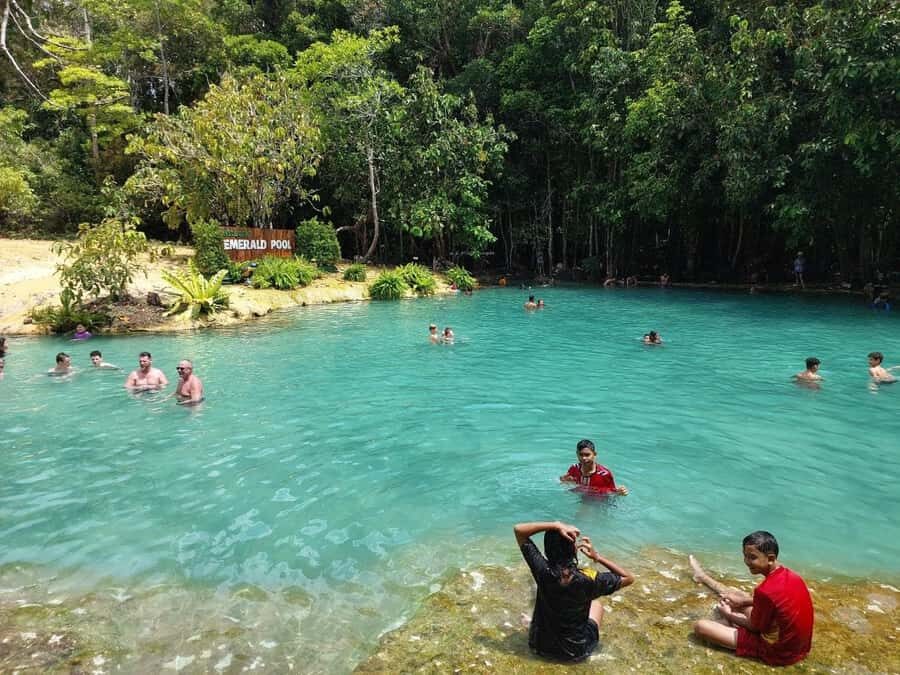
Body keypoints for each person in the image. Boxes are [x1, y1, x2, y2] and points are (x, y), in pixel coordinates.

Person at [514, 521, 634, 662]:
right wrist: (597, 558)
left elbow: (519, 530)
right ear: (573, 549)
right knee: (596, 605)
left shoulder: (542, 570)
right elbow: (628, 578)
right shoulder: (589, 579)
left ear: (548, 548)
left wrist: (555, 525)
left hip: (539, 646)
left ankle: (535, 626)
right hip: (575, 652)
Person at [691, 531, 814, 667]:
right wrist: (744, 602)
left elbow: (755, 628)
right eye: (745, 556)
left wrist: (729, 615)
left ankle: (726, 619)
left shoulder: (764, 592)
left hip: (778, 653)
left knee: (700, 627)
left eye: (752, 557)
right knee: (740, 598)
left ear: (771, 559)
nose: (746, 562)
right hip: (800, 648)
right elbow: (776, 601)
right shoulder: (792, 576)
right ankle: (702, 577)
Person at [560, 439, 629, 495]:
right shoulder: (574, 468)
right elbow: (563, 481)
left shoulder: (604, 474)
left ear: (594, 454)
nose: (584, 458)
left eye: (587, 455)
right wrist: (564, 480)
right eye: (581, 454)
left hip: (598, 502)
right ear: (577, 454)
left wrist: (620, 492)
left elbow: (613, 493)